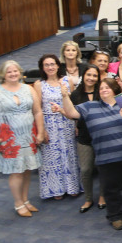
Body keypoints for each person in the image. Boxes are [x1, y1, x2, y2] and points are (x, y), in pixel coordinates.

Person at [55, 77, 122, 230]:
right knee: (111, 188)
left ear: (114, 90)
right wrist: (65, 96)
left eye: (107, 87)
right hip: (107, 157)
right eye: (101, 88)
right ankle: (115, 216)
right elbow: (71, 113)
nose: (104, 90)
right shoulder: (90, 106)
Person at [0, 61, 46, 217]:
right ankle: (18, 203)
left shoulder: (28, 89)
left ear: (20, 72)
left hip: (28, 136)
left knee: (27, 170)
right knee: (16, 171)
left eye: (15, 71)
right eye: (9, 72)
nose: (13, 74)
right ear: (3, 75)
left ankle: (25, 200)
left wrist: (40, 133)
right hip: (9, 139)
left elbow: (37, 112)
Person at [34, 54, 81, 200]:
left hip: (66, 121)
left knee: (70, 154)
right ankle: (56, 189)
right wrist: (41, 130)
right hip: (49, 124)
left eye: (52, 64)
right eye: (46, 65)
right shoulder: (39, 85)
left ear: (58, 65)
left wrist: (76, 124)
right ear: (42, 68)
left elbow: (73, 105)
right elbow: (37, 109)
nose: (50, 67)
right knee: (52, 158)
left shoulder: (68, 81)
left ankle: (72, 186)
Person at [69, 65, 106, 213]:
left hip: (102, 136)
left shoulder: (102, 91)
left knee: (103, 169)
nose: (91, 78)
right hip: (84, 136)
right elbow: (72, 114)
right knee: (85, 170)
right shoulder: (75, 94)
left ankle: (103, 196)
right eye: (88, 75)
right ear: (83, 76)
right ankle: (88, 198)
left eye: (94, 75)